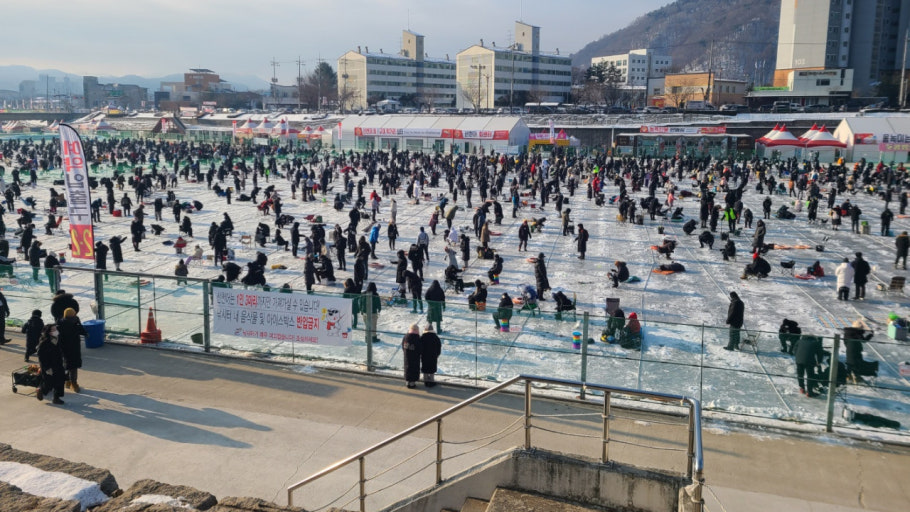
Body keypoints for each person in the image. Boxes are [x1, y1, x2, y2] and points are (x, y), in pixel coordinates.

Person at [57, 307, 86, 393]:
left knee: (66, 364)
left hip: (64, 347)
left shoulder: (60, 323)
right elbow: (81, 330)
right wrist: (84, 331)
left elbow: (58, 336)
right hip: (74, 347)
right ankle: (74, 384)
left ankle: (67, 381)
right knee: (73, 366)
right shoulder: (75, 322)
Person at [36, 324, 66, 405]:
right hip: (49, 365)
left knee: (60, 380)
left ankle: (56, 398)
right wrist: (46, 368)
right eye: (53, 329)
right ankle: (41, 390)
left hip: (58, 363)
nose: (56, 331)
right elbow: (41, 357)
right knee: (49, 382)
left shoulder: (57, 339)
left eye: (56, 329)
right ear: (49, 332)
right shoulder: (44, 342)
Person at [843, 319, 874, 384]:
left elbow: (845, 341)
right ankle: (856, 377)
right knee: (856, 363)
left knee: (850, 362)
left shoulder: (848, 332)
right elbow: (863, 340)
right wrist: (870, 335)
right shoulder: (856, 332)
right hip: (855, 351)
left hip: (849, 350)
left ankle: (849, 376)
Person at [402, 323, 422, 388]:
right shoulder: (417, 338)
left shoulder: (406, 336)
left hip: (407, 356)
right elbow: (420, 348)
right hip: (415, 357)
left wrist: (405, 352)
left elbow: (403, 345)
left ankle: (407, 382)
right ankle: (412, 383)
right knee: (414, 369)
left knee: (407, 368)